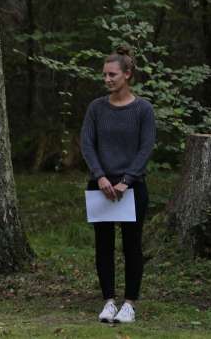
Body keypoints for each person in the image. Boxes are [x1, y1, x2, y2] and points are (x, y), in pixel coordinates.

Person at [80, 46, 156, 324]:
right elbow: (87, 144)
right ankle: (109, 301)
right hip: (99, 187)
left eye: (112, 74)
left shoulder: (143, 109)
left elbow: (146, 148)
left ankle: (129, 304)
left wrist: (126, 181)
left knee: (132, 246)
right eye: (104, 75)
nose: (107, 79)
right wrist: (100, 176)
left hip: (132, 189)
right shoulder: (96, 108)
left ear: (127, 74)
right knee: (103, 246)